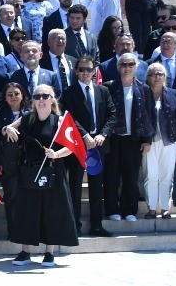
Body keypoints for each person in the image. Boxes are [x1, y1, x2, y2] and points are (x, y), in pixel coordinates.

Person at [1, 83, 78, 267]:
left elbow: (72, 146)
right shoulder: (26, 118)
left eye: (45, 96)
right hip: (29, 170)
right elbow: (6, 129)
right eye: (37, 96)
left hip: (52, 170)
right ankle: (25, 252)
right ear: (33, 101)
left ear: (52, 99)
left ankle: (49, 253)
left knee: (51, 210)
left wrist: (56, 154)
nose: (41, 100)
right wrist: (8, 129)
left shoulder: (59, 121)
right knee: (27, 210)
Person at [61, 55, 114, 236]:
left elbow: (112, 115)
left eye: (89, 70)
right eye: (82, 69)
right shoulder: (69, 92)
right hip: (77, 145)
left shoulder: (103, 91)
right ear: (76, 72)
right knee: (75, 185)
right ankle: (74, 225)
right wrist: (84, 135)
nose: (85, 73)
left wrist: (103, 134)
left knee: (96, 185)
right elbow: (69, 118)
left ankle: (97, 225)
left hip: (99, 145)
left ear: (94, 71)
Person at [141, 62, 176, 219]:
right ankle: (152, 207)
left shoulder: (175, 94)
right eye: (152, 74)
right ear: (148, 77)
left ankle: (165, 207)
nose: (156, 77)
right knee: (150, 175)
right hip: (149, 141)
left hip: (171, 140)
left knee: (167, 175)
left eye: (160, 74)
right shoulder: (143, 94)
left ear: (165, 77)